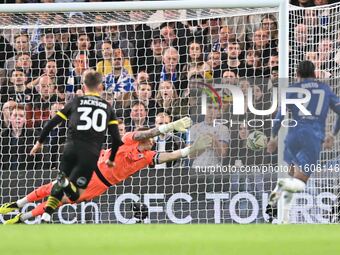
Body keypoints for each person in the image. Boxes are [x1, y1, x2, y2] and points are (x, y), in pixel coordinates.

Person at [0, 117, 210, 224]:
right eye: (151, 140)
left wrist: (191, 149)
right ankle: (16, 204)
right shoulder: (129, 139)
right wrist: (168, 126)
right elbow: (144, 134)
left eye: (154, 141)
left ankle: (21, 218)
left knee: (60, 200)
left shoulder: (147, 158)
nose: (152, 143)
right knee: (53, 188)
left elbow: (169, 156)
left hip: (100, 184)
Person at [29, 70, 122, 223]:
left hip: (70, 148)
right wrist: (111, 159)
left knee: (61, 181)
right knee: (75, 195)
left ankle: (46, 216)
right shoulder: (107, 108)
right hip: (90, 154)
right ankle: (63, 185)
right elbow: (117, 139)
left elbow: (51, 124)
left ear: (84, 86)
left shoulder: (75, 102)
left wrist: (39, 142)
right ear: (101, 87)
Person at [266, 60, 340, 223]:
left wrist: (272, 137)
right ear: (314, 74)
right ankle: (275, 201)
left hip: (293, 136)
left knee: (293, 174)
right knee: (299, 181)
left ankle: (281, 217)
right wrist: (332, 134)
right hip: (312, 137)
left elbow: (279, 117)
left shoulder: (291, 90)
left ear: (297, 75)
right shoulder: (325, 89)